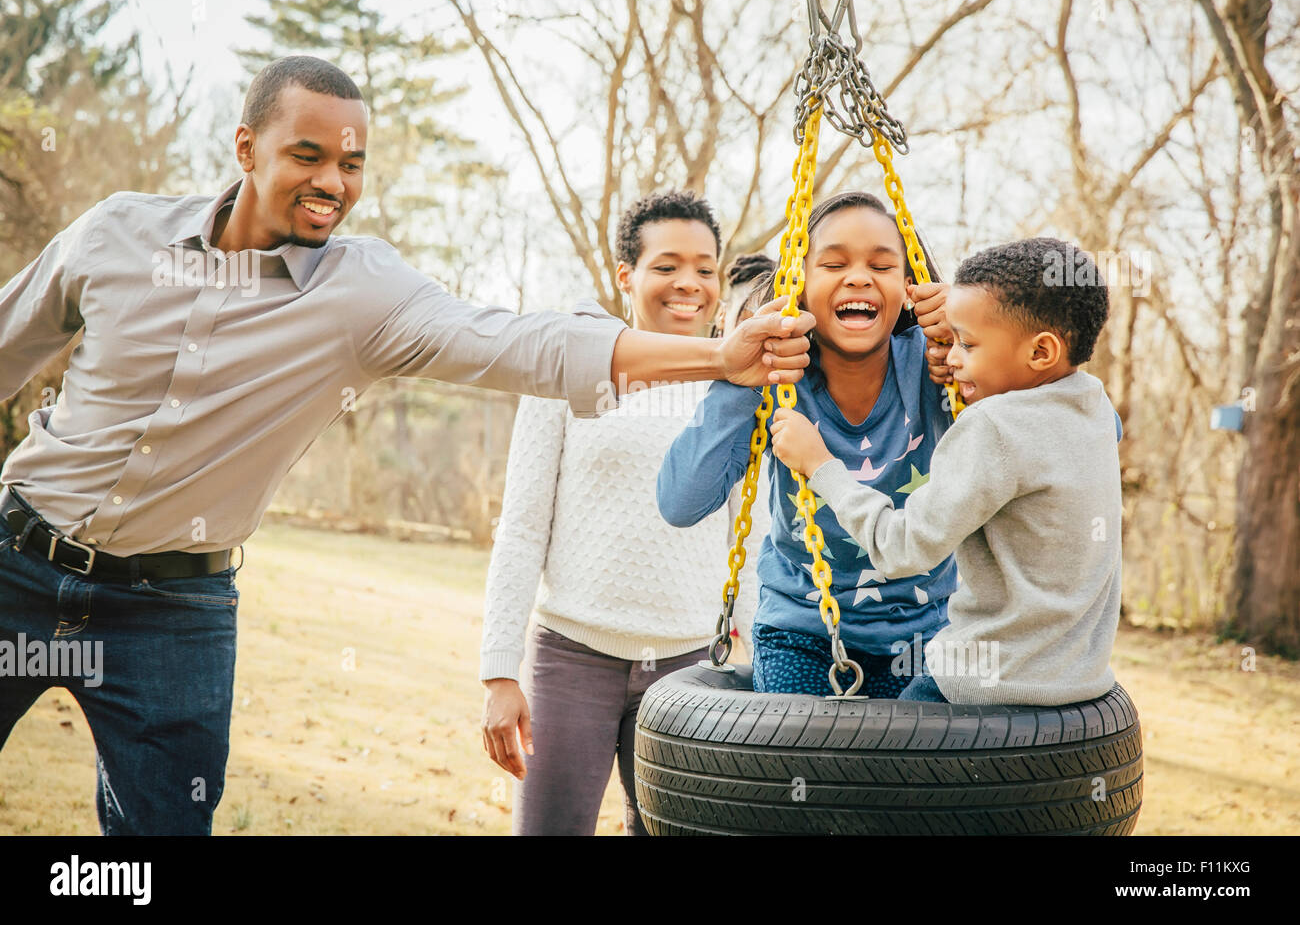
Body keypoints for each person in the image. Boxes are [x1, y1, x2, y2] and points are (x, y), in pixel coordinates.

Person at [0, 56, 813, 835]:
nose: (333, 183)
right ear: (245, 148)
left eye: (352, 164)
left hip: (173, 615)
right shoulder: (115, 236)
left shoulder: (362, 295)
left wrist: (717, 356)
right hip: (18, 565)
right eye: (309, 155)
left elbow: (525, 344)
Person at [480, 191, 769, 836]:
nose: (688, 284)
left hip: (694, 669)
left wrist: (748, 649)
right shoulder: (569, 373)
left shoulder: (740, 386)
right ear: (626, 275)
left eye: (704, 268)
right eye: (666, 266)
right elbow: (522, 527)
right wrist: (500, 672)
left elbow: (748, 536)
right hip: (572, 659)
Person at [770, 236, 1121, 705]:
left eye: (967, 343)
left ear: (1041, 353)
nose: (950, 357)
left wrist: (821, 465)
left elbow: (900, 548)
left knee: (868, 772)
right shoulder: (1095, 408)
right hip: (1078, 687)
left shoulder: (993, 426)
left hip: (971, 687)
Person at [658, 190, 955, 697]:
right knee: (803, 768)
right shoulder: (779, 379)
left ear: (910, 288)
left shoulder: (937, 366)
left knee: (911, 771)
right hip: (800, 632)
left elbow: (1082, 424)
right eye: (834, 262)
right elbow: (680, 502)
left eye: (881, 266)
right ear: (799, 285)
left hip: (924, 635)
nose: (858, 277)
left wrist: (974, 339)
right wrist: (739, 380)